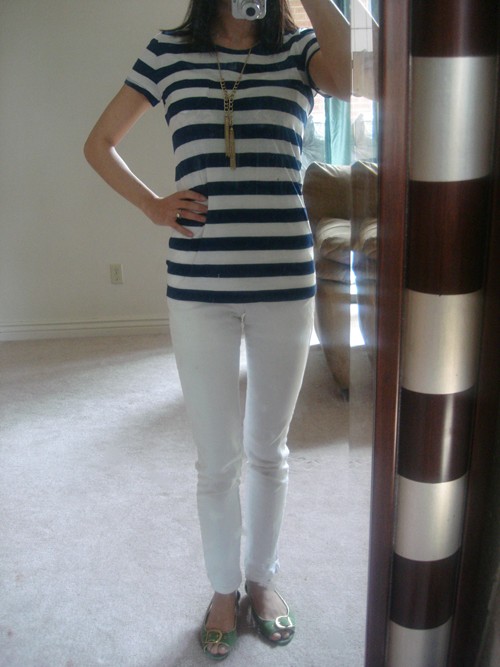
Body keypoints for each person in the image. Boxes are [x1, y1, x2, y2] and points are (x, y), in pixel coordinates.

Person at [84, 0, 349, 659]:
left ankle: (261, 580)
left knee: (269, 449)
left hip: (285, 281)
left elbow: (354, 79)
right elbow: (99, 143)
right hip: (199, 287)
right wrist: (152, 204)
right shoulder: (167, 52)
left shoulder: (299, 51)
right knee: (216, 459)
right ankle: (224, 590)